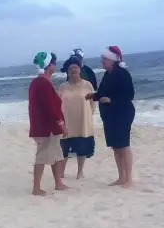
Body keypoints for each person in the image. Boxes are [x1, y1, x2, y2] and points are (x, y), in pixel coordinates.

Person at [86, 46, 136, 187]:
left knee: (123, 146)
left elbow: (129, 95)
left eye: (104, 59)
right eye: (102, 58)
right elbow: (103, 93)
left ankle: (128, 179)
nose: (102, 61)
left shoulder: (122, 73)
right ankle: (121, 177)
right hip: (109, 115)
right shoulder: (108, 74)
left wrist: (111, 101)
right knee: (115, 146)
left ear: (112, 60)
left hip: (122, 113)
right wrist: (94, 96)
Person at [28, 51, 67, 196]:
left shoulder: (37, 82)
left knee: (56, 154)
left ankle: (58, 183)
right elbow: (50, 106)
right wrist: (61, 123)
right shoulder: (43, 82)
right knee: (42, 155)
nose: (55, 67)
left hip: (43, 125)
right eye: (53, 64)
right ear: (49, 65)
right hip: (46, 127)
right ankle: (36, 187)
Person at [58, 56, 96, 180]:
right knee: (63, 150)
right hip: (67, 122)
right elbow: (58, 104)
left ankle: (80, 172)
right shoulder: (62, 87)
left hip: (82, 121)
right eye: (71, 68)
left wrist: (89, 117)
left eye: (76, 67)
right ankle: (61, 172)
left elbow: (92, 104)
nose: (73, 69)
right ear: (67, 71)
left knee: (82, 149)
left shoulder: (87, 85)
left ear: (80, 69)